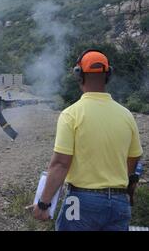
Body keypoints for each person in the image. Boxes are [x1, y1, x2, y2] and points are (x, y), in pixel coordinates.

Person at [32, 49, 143, 231]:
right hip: (119, 203)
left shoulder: (71, 115)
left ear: (79, 75)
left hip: (80, 201)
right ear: (108, 75)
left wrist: (44, 204)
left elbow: (60, 164)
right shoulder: (126, 115)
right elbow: (133, 159)